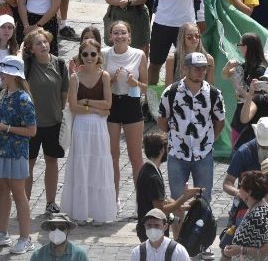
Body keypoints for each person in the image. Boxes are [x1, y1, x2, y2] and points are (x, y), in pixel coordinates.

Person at [0, 55, 37, 254]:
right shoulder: (4, 94)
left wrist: (6, 128)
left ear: (13, 75)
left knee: (19, 194)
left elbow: (31, 131)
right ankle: (2, 233)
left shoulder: (23, 98)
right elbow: (2, 119)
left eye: (4, 71)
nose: (0, 74)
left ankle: (26, 238)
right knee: (3, 190)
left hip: (15, 152)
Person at [158, 51, 226, 204]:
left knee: (204, 200)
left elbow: (220, 121)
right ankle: (178, 228)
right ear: (185, 69)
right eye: (197, 68)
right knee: (176, 201)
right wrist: (174, 134)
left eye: (204, 68)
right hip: (177, 153)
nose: (201, 72)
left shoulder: (214, 94)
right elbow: (162, 119)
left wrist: (208, 140)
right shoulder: (171, 92)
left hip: (203, 155)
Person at [61, 38, 115, 224]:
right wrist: (94, 109)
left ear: (98, 54)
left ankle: (98, 212)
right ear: (80, 56)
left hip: (99, 127)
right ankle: (81, 212)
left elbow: (108, 104)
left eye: (93, 53)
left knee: (99, 165)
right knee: (82, 165)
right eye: (85, 54)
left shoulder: (105, 76)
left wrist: (87, 102)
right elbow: (73, 106)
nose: (89, 57)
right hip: (82, 126)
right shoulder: (75, 78)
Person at [22, 28, 68, 214]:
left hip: (53, 122)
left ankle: (50, 202)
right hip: (31, 124)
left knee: (52, 161)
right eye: (38, 43)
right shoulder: (27, 65)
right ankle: (24, 203)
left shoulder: (59, 64)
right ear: (31, 49)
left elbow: (64, 92)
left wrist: (59, 111)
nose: (43, 45)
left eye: (45, 42)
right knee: (29, 163)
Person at [135, 130, 201, 242]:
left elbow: (160, 199)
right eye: (167, 147)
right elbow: (160, 209)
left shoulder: (147, 169)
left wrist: (183, 206)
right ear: (161, 150)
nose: (169, 150)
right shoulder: (153, 177)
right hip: (152, 232)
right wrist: (184, 197)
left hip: (149, 228)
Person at [104, 21, 146, 197]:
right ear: (110, 36)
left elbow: (145, 86)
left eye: (123, 33)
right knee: (112, 156)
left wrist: (134, 83)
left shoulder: (139, 55)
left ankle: (140, 200)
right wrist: (111, 81)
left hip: (132, 102)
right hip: (112, 104)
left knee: (135, 156)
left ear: (129, 36)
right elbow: (98, 84)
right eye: (116, 33)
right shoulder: (104, 54)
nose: (119, 36)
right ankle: (113, 199)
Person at [223, 170, 268, 260]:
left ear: (249, 192)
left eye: (241, 186)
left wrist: (241, 250)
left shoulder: (258, 217)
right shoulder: (257, 207)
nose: (238, 189)